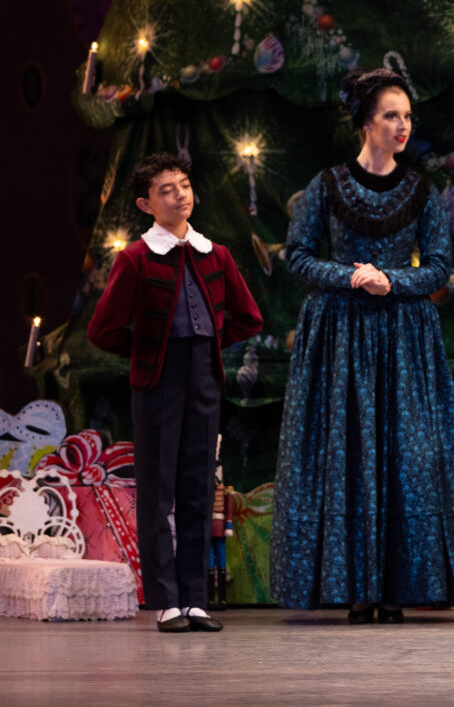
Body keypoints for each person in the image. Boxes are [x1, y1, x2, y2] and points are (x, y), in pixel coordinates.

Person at [270, 68, 454, 622]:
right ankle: (354, 588)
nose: (403, 125)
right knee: (348, 453)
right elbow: (298, 255)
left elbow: (436, 267)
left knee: (406, 456)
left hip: (405, 336)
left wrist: (391, 281)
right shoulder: (327, 185)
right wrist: (350, 278)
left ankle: (396, 588)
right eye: (391, 115)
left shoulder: (421, 191)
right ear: (365, 123)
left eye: (407, 116)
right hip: (339, 337)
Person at [88, 152, 263, 632]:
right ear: (147, 203)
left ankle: (195, 599)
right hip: (157, 381)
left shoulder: (216, 254)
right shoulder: (137, 258)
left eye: (184, 185)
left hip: (204, 377)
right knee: (158, 490)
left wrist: (208, 344)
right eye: (166, 189)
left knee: (197, 488)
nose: (179, 194)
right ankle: (165, 601)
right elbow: (102, 329)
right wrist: (149, 350)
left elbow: (249, 318)